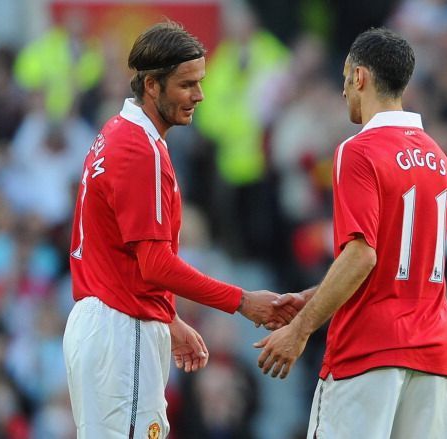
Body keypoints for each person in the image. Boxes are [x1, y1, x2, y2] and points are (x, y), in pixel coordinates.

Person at [62, 21, 294, 438]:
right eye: (187, 85)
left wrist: (167, 318)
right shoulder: (139, 149)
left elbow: (122, 255)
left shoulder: (118, 133)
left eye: (200, 82)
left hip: (108, 322)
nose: (200, 95)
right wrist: (241, 301)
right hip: (120, 330)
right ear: (152, 85)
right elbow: (154, 264)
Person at [255, 27, 447, 438]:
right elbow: (397, 264)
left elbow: (363, 256)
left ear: (359, 77)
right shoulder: (438, 157)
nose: (343, 91)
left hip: (368, 350)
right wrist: (315, 295)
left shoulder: (359, 150)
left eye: (345, 78)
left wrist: (301, 329)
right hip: (432, 352)